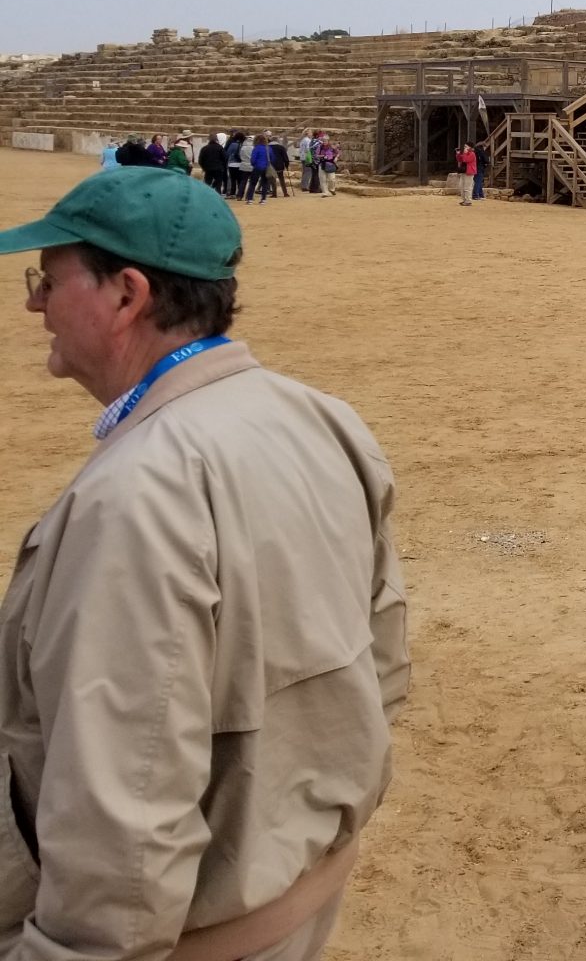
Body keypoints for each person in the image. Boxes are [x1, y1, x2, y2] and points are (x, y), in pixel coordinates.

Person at [0, 169, 408, 958]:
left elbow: (123, 817)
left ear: (126, 294)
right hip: (295, 889)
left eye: (48, 280)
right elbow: (383, 654)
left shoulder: (135, 498)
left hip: (200, 932)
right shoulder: (320, 416)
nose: (33, 304)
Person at [244, 136, 270, 205]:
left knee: (253, 183)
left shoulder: (256, 148)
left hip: (257, 167)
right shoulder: (268, 148)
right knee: (265, 183)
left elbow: (253, 159)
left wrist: (254, 164)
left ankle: (250, 199)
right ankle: (263, 199)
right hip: (266, 167)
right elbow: (272, 158)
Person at [225, 131, 249, 200]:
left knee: (233, 180)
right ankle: (240, 194)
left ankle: (232, 193)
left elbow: (228, 153)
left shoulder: (233, 144)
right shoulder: (243, 145)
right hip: (240, 164)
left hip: (232, 164)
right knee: (240, 180)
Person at [299, 129, 318, 194]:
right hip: (307, 157)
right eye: (310, 132)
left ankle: (303, 185)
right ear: (307, 133)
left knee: (305, 172)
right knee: (308, 172)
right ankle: (305, 186)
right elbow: (308, 149)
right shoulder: (308, 140)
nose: (312, 134)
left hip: (302, 157)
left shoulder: (302, 140)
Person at [473, 137, 490, 203]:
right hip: (480, 167)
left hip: (474, 168)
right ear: (483, 146)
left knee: (478, 181)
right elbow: (486, 160)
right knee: (478, 181)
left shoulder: (475, 151)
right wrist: (487, 162)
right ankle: (475, 195)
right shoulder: (481, 151)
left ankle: (480, 195)